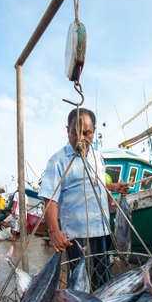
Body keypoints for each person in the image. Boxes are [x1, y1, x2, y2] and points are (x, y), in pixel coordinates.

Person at [38, 108, 129, 289]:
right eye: (75, 132)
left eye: (87, 133)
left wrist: (113, 187)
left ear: (94, 131)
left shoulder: (97, 156)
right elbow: (50, 199)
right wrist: (55, 232)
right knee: (79, 283)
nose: (81, 138)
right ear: (67, 130)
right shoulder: (57, 160)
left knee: (102, 279)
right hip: (77, 234)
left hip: (101, 229)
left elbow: (94, 184)